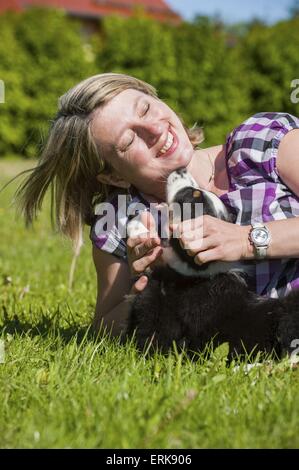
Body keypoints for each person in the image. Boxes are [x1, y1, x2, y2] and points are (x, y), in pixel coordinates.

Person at [15, 73, 299, 337]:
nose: (153, 129)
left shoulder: (260, 143)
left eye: (146, 109)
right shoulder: (121, 221)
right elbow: (103, 326)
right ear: (113, 175)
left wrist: (246, 240)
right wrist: (157, 286)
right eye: (128, 141)